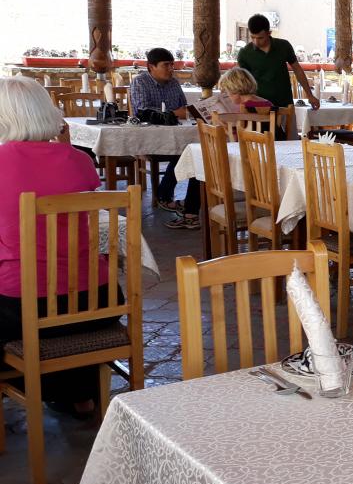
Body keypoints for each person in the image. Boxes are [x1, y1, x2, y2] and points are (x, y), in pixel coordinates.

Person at [0, 77, 123, 416]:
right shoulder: (79, 160)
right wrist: (64, 146)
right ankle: (79, 394)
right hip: (98, 301)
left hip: (26, 309)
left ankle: (26, 388)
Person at [129, 48, 203, 230]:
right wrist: (173, 113)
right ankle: (169, 197)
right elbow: (142, 111)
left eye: (172, 65)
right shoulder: (140, 82)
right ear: (151, 67)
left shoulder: (174, 83)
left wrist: (179, 112)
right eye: (166, 65)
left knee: (194, 150)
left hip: (175, 135)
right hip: (150, 138)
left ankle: (166, 194)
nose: (171, 69)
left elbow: (184, 108)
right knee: (189, 151)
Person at [236, 14, 320, 111]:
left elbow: (298, 70)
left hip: (284, 103)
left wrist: (310, 95)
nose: (256, 42)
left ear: (269, 33)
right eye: (252, 37)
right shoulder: (245, 53)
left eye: (260, 38)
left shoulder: (284, 46)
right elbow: (240, 81)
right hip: (257, 107)